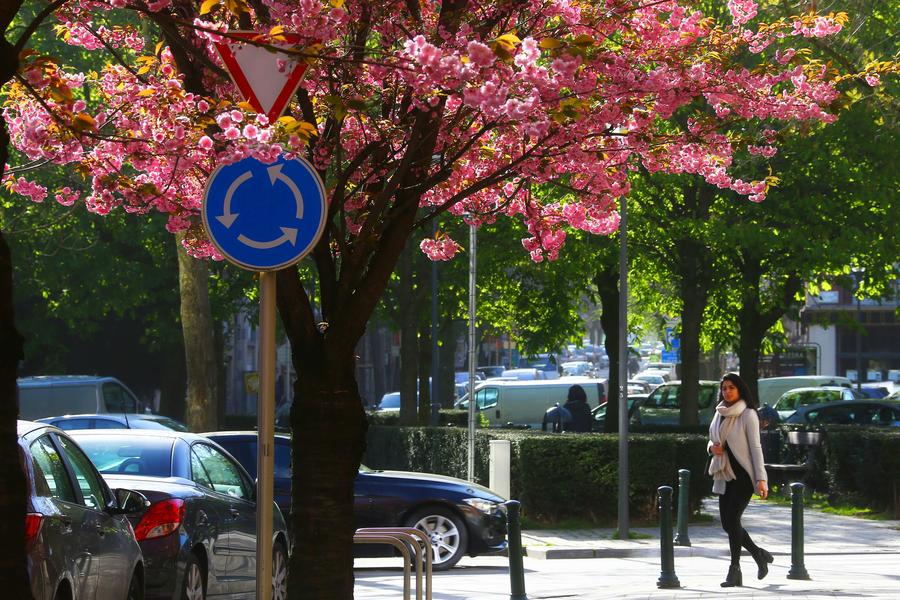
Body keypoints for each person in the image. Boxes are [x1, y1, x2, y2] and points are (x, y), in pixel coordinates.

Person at [707, 373, 772, 587]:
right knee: (727, 524)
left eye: (731, 387)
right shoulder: (719, 412)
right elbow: (712, 439)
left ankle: (734, 570)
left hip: (743, 476)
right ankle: (758, 554)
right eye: (724, 388)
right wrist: (711, 448)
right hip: (724, 473)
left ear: (740, 390)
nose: (727, 391)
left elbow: (755, 448)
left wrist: (761, 479)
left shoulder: (748, 414)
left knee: (733, 519)